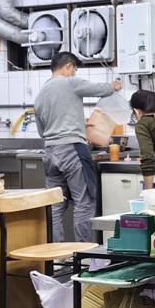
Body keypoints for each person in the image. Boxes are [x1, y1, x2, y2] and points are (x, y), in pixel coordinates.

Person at [34, 51, 121, 243]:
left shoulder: (40, 94)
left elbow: (42, 131)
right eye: (74, 69)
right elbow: (99, 89)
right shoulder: (69, 82)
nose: (74, 73)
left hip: (50, 152)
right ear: (68, 66)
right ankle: (82, 254)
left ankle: (57, 256)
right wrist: (113, 86)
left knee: (56, 206)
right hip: (71, 150)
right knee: (84, 202)